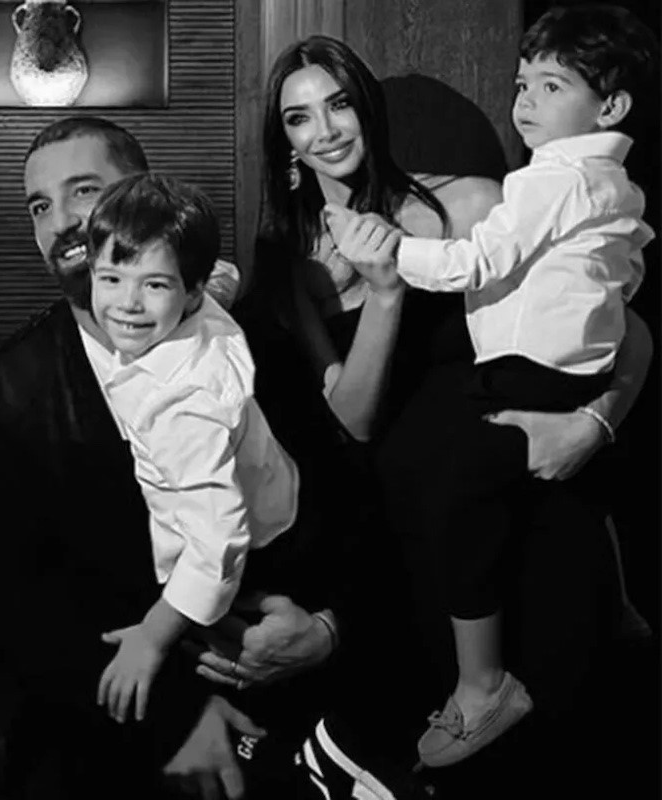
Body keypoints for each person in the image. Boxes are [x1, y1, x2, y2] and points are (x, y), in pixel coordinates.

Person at [196, 33, 655, 799]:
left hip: (525, 497)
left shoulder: (472, 201)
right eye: (299, 118)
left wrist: (593, 425)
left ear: (368, 112)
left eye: (340, 104)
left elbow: (622, 323)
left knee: (562, 748)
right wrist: (384, 290)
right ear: (286, 145)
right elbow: (354, 420)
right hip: (415, 531)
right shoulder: (291, 255)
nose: (326, 130)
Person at [323, 4, 658, 768]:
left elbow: (616, 310)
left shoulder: (538, 182)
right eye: (521, 84)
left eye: (549, 86)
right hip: (461, 470)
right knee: (430, 482)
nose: (526, 102)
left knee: (457, 492)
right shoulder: (601, 181)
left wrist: (595, 423)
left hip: (531, 410)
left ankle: (486, 683)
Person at [0, 116, 303, 799]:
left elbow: (341, 498)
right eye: (39, 206)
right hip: (112, 716)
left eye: (84, 191)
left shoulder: (242, 338)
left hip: (282, 679)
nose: (61, 222)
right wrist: (181, 720)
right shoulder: (8, 389)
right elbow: (21, 611)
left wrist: (325, 629)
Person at [80, 171, 298, 725]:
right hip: (274, 487)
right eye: (110, 278)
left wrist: (154, 636)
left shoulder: (184, 411)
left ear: (191, 291)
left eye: (154, 285)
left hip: (252, 544)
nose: (127, 303)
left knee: (219, 653)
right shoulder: (203, 303)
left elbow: (218, 539)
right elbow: (223, 277)